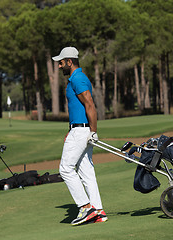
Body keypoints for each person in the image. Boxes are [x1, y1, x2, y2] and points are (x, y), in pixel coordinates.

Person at [52, 47, 107, 226]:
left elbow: (90, 104)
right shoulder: (76, 78)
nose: (59, 66)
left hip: (82, 131)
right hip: (79, 129)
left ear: (69, 61)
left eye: (61, 62)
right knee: (86, 171)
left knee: (65, 169)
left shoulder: (78, 78)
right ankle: (98, 210)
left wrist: (93, 131)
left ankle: (86, 207)